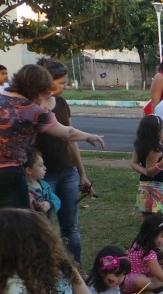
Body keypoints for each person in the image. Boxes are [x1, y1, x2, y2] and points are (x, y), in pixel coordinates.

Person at [0, 64, 105, 216]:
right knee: (21, 226)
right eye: (46, 93)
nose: (46, 97)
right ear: (37, 90)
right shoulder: (31, 110)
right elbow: (68, 133)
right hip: (7, 174)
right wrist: (89, 136)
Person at [34, 58, 95, 263]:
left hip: (67, 172)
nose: (66, 86)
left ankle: (75, 271)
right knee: (43, 227)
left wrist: (82, 173)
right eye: (61, 82)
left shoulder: (60, 103)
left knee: (71, 227)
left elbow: (71, 139)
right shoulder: (30, 107)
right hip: (43, 177)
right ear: (46, 81)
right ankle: (50, 273)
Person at [130, 114, 163, 214]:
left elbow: (133, 163)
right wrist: (162, 164)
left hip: (145, 185)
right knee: (157, 218)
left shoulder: (141, 144)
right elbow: (151, 171)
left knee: (148, 216)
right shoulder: (155, 150)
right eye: (161, 130)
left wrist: (144, 171)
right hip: (155, 188)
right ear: (155, 132)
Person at [23, 147, 60, 218]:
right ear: (29, 170)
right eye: (41, 165)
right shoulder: (24, 189)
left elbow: (57, 201)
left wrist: (49, 204)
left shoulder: (44, 185)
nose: (45, 168)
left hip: (46, 224)